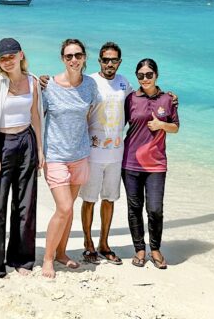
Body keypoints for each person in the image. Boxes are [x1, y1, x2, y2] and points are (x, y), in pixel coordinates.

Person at [0, 37, 43, 277]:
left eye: (11, 56)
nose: (7, 61)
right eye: (2, 58)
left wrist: (41, 150)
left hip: (26, 142)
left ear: (21, 55)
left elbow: (35, 115)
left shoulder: (33, 82)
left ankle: (22, 259)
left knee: (26, 203)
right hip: (1, 144)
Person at [39, 38, 103, 278]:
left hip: (80, 155)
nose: (74, 60)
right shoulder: (48, 86)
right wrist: (38, 151)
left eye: (77, 55)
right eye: (69, 56)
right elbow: (37, 118)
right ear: (62, 59)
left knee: (69, 208)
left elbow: (92, 115)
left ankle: (62, 253)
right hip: (55, 156)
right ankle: (47, 259)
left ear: (84, 57)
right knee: (63, 207)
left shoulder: (90, 86)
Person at [123, 58, 179, 270]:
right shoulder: (130, 99)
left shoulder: (168, 99)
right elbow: (117, 122)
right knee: (134, 208)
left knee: (155, 209)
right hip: (130, 162)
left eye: (149, 75)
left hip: (156, 164)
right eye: (140, 75)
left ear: (156, 75)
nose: (145, 79)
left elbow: (175, 127)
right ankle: (139, 249)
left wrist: (161, 124)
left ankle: (155, 248)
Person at [79, 42, 131, 265]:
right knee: (89, 200)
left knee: (109, 199)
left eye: (114, 60)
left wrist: (168, 99)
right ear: (99, 61)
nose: (110, 64)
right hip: (93, 153)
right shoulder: (90, 82)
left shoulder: (124, 83)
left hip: (116, 153)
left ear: (119, 62)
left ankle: (104, 244)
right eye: (105, 60)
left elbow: (135, 107)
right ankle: (88, 243)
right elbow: (77, 109)